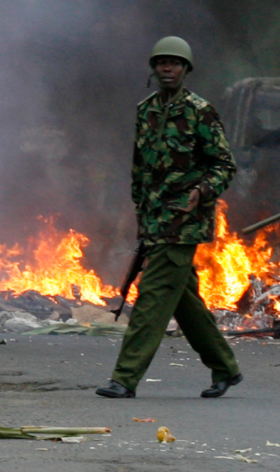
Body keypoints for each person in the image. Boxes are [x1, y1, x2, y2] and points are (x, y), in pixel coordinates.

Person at [96, 36, 242, 399]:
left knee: (153, 296)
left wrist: (202, 192)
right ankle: (225, 367)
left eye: (174, 63)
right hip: (154, 220)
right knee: (184, 300)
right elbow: (139, 167)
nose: (167, 68)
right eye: (161, 63)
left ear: (186, 69)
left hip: (183, 224)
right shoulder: (145, 110)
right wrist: (140, 212)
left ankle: (124, 378)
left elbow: (224, 165)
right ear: (153, 68)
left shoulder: (199, 111)